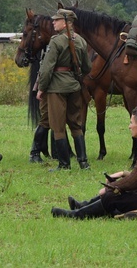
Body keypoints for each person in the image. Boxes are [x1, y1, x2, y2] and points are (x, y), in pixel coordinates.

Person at [51, 107, 137, 220]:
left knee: (111, 197)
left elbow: (134, 181)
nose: (129, 126)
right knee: (114, 193)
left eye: (131, 123)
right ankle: (83, 206)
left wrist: (111, 187)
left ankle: (77, 214)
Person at [36, 9, 92, 170]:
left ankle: (64, 164)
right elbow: (87, 67)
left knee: (58, 126)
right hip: (74, 86)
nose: (53, 22)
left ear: (67, 23)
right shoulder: (80, 40)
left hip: (56, 89)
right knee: (76, 124)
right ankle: (83, 162)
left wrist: (41, 88)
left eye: (57, 20)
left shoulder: (56, 41)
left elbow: (47, 69)